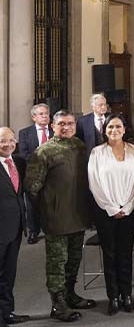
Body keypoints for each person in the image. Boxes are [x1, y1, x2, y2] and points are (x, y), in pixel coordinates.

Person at [24, 110, 97, 323]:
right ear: (53, 126)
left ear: (75, 126)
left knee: (74, 259)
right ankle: (57, 303)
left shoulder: (80, 147)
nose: (65, 127)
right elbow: (32, 187)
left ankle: (70, 294)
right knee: (57, 262)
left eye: (70, 124)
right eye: (61, 124)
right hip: (56, 218)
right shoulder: (43, 152)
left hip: (78, 214)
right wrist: (48, 208)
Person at [87, 114, 134, 315]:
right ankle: (114, 297)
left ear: (124, 129)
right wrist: (111, 208)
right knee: (109, 255)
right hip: (105, 212)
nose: (114, 130)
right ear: (105, 130)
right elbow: (94, 184)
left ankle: (127, 294)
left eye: (118, 126)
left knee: (126, 254)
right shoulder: (97, 153)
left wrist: (128, 207)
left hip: (130, 210)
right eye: (110, 127)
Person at [0, 127, 30, 325]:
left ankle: (7, 312)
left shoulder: (18, 162)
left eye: (11, 140)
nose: (8, 144)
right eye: (3, 141)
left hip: (16, 227)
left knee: (9, 273)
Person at [16, 103, 51, 244]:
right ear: (33, 117)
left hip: (53, 174)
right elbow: (24, 153)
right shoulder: (25, 133)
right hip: (33, 175)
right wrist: (42, 160)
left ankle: (50, 229)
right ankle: (34, 231)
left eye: (46, 114)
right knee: (32, 205)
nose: (44, 116)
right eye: (41, 114)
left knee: (51, 203)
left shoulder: (55, 130)